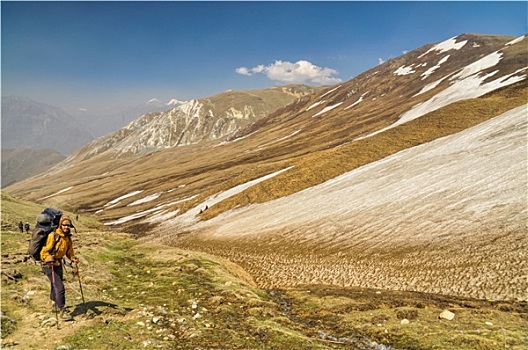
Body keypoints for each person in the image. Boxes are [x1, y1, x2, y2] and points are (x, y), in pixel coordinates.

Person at [40, 216, 79, 321]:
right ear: (60, 225)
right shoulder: (53, 236)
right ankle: (62, 310)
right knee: (60, 287)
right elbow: (44, 251)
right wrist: (48, 258)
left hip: (58, 263)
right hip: (48, 264)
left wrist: (73, 258)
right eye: (64, 225)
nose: (66, 227)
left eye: (68, 225)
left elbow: (69, 252)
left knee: (55, 284)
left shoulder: (67, 238)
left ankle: (55, 305)